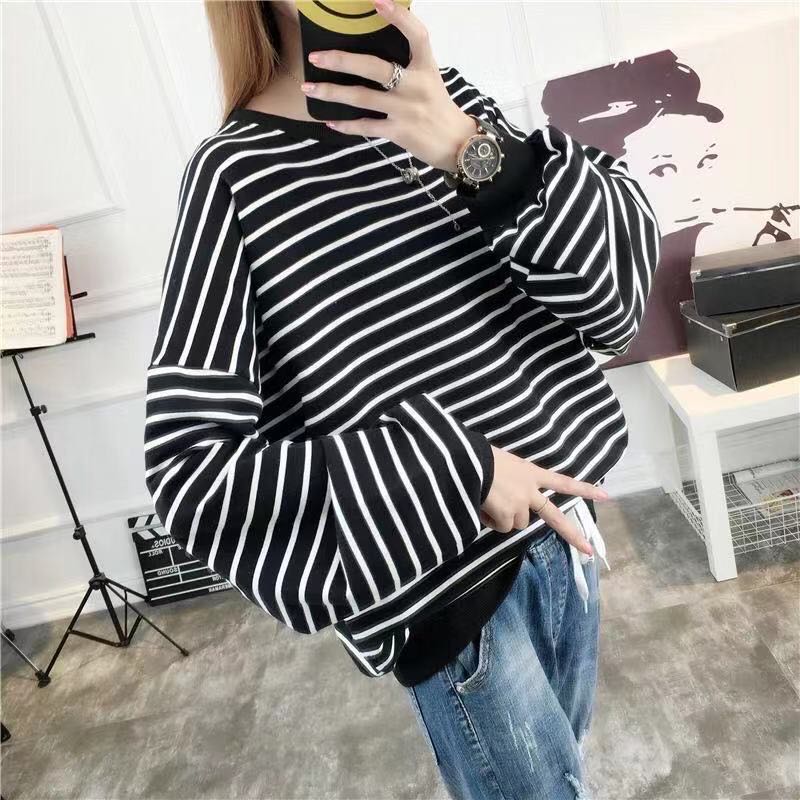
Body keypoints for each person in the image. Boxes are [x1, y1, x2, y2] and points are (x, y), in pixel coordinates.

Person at [143, 1, 660, 798]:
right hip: (461, 608)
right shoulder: (237, 178)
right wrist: (460, 468)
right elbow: (191, 472)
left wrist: (462, 145)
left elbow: (614, 300)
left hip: (570, 542)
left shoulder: (443, 101)